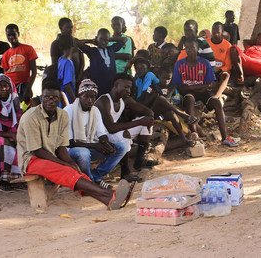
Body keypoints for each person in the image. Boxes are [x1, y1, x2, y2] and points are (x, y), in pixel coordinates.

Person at [16, 80, 132, 210]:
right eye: (46, 97)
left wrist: (71, 162)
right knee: (64, 169)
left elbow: (61, 146)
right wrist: (64, 163)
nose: (50, 101)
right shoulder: (30, 117)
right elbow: (37, 150)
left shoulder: (62, 115)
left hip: (51, 155)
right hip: (31, 159)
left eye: (54, 98)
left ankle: (109, 201)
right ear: (41, 98)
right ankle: (110, 195)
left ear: (59, 99)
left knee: (74, 169)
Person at [173, 39, 239, 147]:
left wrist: (192, 86)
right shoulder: (179, 65)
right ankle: (194, 134)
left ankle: (225, 137)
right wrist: (196, 87)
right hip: (187, 93)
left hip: (203, 93)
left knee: (216, 103)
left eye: (192, 47)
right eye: (187, 48)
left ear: (197, 49)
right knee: (189, 99)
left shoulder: (204, 63)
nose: (190, 50)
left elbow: (210, 84)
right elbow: (179, 85)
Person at [65, 80, 129, 189]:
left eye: (93, 97)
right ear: (80, 95)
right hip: (72, 150)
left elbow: (102, 134)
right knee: (83, 153)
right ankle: (91, 183)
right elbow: (70, 142)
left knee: (122, 147)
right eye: (86, 97)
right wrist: (96, 146)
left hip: (91, 147)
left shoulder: (95, 110)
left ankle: (96, 176)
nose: (90, 100)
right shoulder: (69, 110)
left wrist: (107, 144)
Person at [94, 74, 156, 181]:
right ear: (116, 85)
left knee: (143, 124)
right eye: (126, 87)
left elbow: (146, 111)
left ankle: (139, 160)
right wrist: (140, 121)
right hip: (99, 136)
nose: (129, 90)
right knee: (124, 136)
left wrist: (150, 117)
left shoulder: (125, 99)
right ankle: (125, 172)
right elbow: (111, 128)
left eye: (130, 88)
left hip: (112, 133)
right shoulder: (104, 101)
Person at [132, 57, 198, 147]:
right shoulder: (151, 87)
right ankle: (184, 115)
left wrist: (171, 100)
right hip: (151, 113)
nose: (166, 81)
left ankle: (184, 140)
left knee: (171, 114)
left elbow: (177, 100)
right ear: (158, 77)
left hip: (162, 116)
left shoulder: (172, 88)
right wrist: (153, 97)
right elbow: (143, 104)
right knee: (160, 99)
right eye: (164, 78)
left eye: (169, 78)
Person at [77, 28, 127, 96]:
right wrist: (91, 41)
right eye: (101, 39)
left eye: (106, 40)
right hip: (97, 86)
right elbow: (78, 43)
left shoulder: (111, 49)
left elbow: (124, 39)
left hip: (111, 86)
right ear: (97, 38)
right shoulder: (92, 51)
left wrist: (110, 39)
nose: (104, 42)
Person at [0, 74, 24, 191]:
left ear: (11, 87)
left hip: (13, 133)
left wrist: (17, 134)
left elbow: (20, 121)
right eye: (0, 86)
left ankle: (16, 179)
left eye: (6, 86)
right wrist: (10, 135)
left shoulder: (15, 102)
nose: (3, 89)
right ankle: (4, 180)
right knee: (1, 143)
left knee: (22, 143)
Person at [1, 24, 38, 103]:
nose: (11, 37)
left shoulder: (28, 49)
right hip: (10, 87)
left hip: (24, 86)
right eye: (8, 35)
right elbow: (5, 75)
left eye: (13, 34)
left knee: (24, 110)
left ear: (18, 34)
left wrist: (28, 88)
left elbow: (34, 72)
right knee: (12, 111)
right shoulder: (6, 54)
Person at [50, 17, 85, 83]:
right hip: (64, 81)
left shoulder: (74, 41)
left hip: (77, 78)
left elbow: (82, 44)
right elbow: (54, 65)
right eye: (68, 27)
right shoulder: (55, 44)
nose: (70, 30)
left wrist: (79, 77)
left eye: (71, 27)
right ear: (61, 28)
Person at [56, 34, 76, 104]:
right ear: (72, 46)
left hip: (60, 98)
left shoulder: (60, 59)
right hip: (67, 99)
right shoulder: (68, 63)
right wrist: (74, 100)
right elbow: (67, 85)